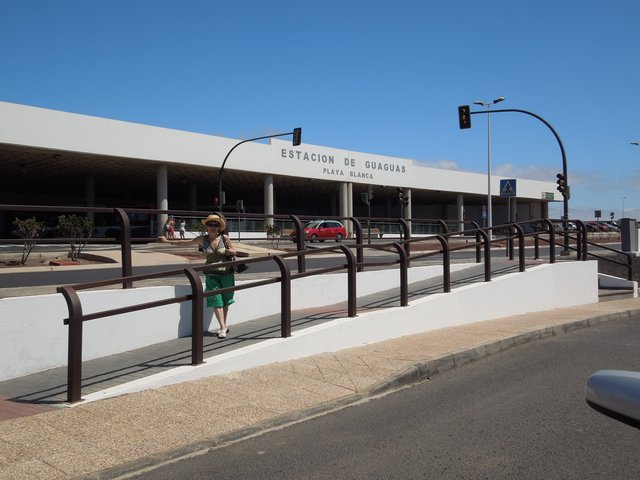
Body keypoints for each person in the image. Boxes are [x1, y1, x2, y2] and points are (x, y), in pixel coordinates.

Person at [159, 213, 236, 339]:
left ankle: (224, 325)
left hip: (227, 273)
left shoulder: (224, 238)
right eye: (210, 224)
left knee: (226, 300)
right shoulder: (202, 239)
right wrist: (168, 241)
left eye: (215, 225)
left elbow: (234, 251)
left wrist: (229, 251)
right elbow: (186, 243)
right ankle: (222, 327)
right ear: (207, 226)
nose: (213, 227)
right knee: (216, 300)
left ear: (219, 227)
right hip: (211, 274)